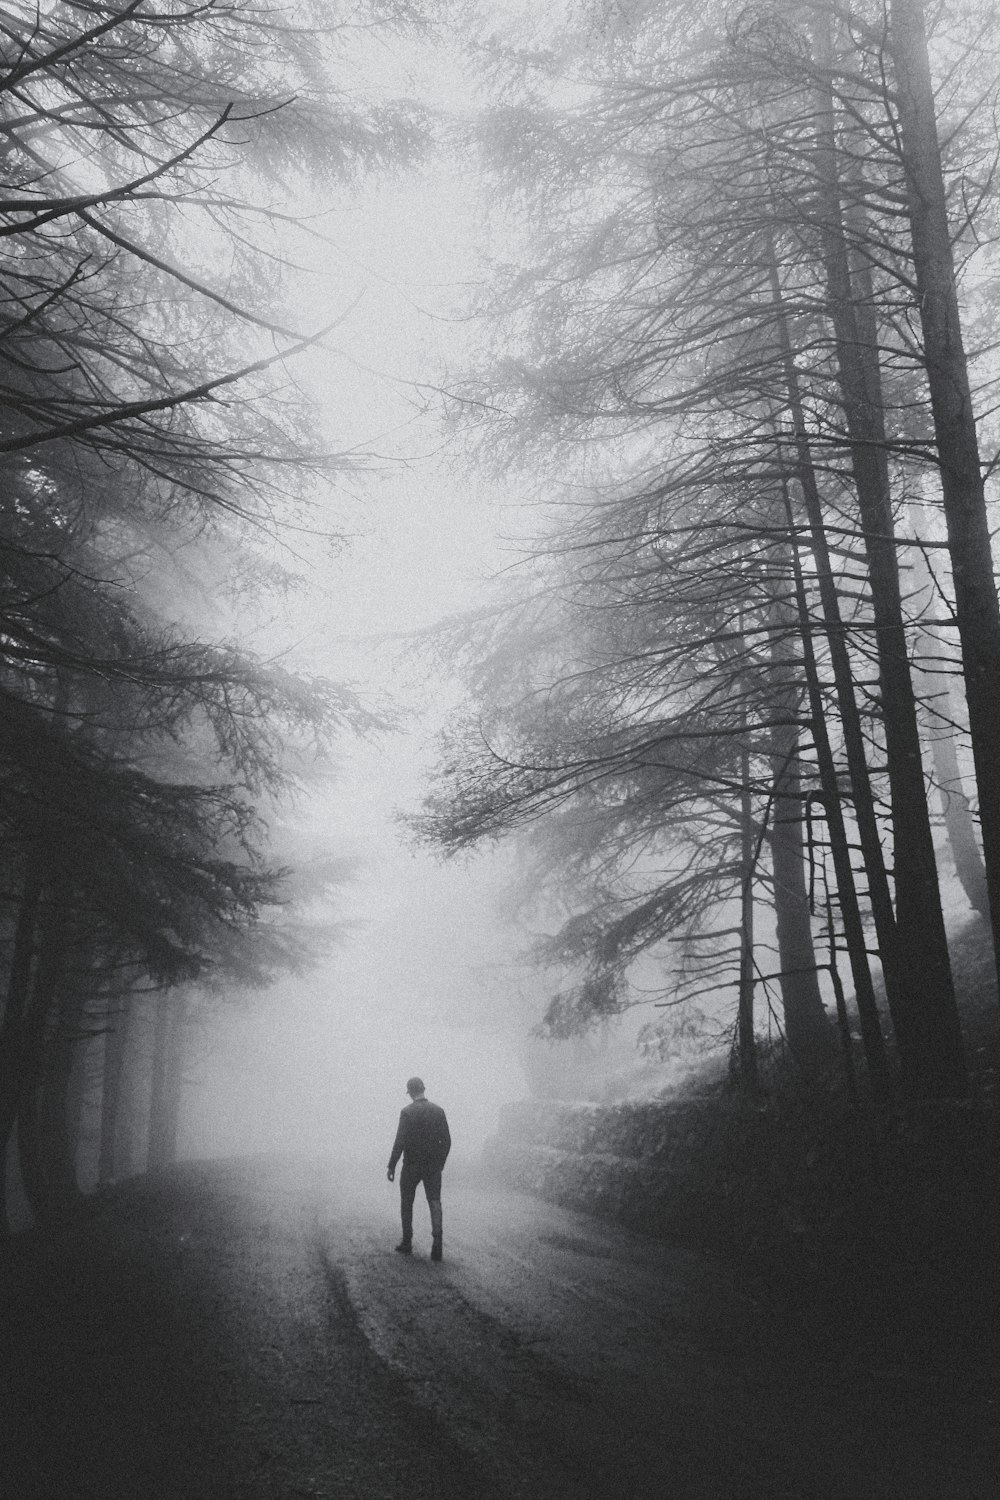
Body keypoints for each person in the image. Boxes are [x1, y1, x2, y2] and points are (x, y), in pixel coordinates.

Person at [386, 1076, 451, 1261]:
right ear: (423, 1089)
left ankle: (407, 1242)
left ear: (410, 1093)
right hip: (432, 1167)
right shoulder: (439, 1111)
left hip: (411, 1165)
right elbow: (446, 1141)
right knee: (435, 1202)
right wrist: (440, 1162)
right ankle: (437, 1244)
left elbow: (400, 1141)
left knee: (407, 1202)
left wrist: (392, 1165)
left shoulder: (407, 1112)